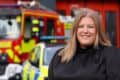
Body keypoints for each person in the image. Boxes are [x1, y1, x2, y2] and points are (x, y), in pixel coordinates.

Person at [48, 8, 120, 80]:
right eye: (81, 26)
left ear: (98, 31)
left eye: (90, 27)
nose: (85, 31)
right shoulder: (60, 56)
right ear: (75, 31)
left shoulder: (112, 55)